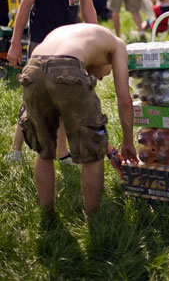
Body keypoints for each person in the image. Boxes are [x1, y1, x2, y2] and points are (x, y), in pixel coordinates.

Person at [17, 23, 137, 216]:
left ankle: (48, 217)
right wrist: (128, 142)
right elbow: (124, 100)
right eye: (108, 72)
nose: (102, 79)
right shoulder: (117, 44)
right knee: (92, 157)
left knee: (44, 152)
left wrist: (110, 149)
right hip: (67, 64)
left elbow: (71, 113)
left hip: (33, 67)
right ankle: (93, 220)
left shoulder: (75, 36)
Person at [7, 0, 98, 163]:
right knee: (33, 98)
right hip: (41, 42)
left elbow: (87, 5)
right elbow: (25, 5)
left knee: (64, 98)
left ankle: (62, 153)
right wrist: (16, 44)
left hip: (71, 44)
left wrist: (98, 39)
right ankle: (16, 150)